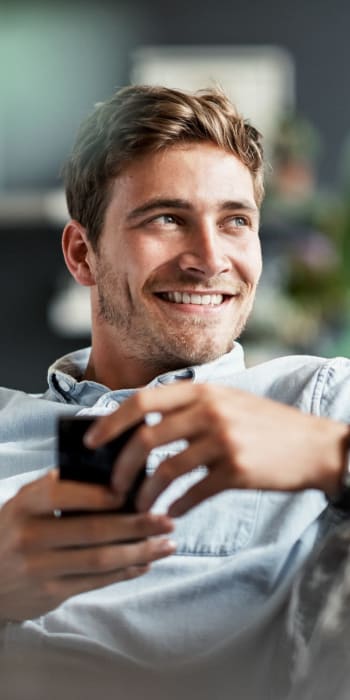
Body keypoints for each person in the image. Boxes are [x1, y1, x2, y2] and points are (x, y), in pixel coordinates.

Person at [1, 84, 350, 700]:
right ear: (83, 254)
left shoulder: (321, 400)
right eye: (167, 218)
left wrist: (333, 456)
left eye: (235, 221)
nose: (210, 258)